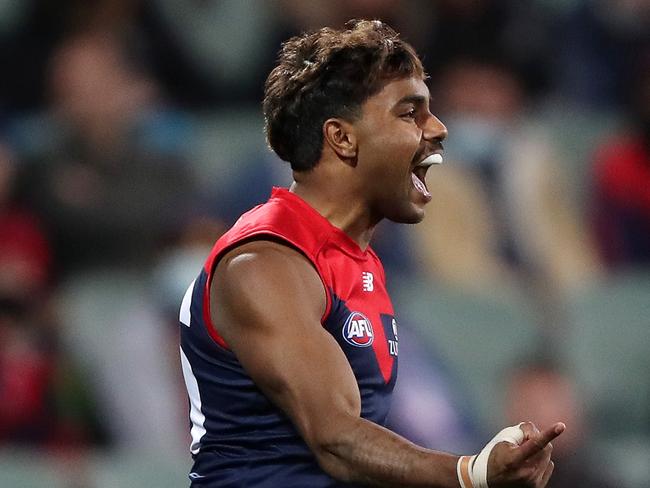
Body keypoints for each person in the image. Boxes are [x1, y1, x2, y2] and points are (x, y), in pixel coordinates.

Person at [179, 20, 564, 487]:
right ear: (342, 138)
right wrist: (471, 473)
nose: (439, 129)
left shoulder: (356, 262)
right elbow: (336, 439)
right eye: (410, 113)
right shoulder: (264, 263)